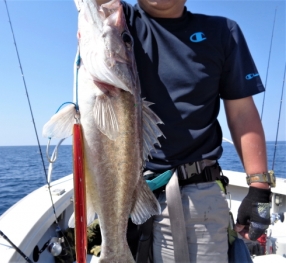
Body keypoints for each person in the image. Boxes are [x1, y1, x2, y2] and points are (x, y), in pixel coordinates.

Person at [95, 0, 273, 262]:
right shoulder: (115, 20)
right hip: (121, 191)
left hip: (196, 198)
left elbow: (242, 112)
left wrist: (259, 187)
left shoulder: (222, 31)